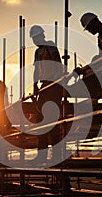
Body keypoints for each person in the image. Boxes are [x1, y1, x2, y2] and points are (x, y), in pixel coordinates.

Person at [30, 25, 65, 161]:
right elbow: (36, 70)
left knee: (51, 120)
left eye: (36, 38)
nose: (35, 41)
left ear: (41, 36)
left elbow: (58, 64)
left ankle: (55, 154)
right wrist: (34, 86)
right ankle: (42, 154)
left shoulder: (50, 46)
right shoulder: (38, 52)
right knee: (40, 121)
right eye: (33, 39)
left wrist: (55, 80)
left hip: (54, 86)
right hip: (45, 86)